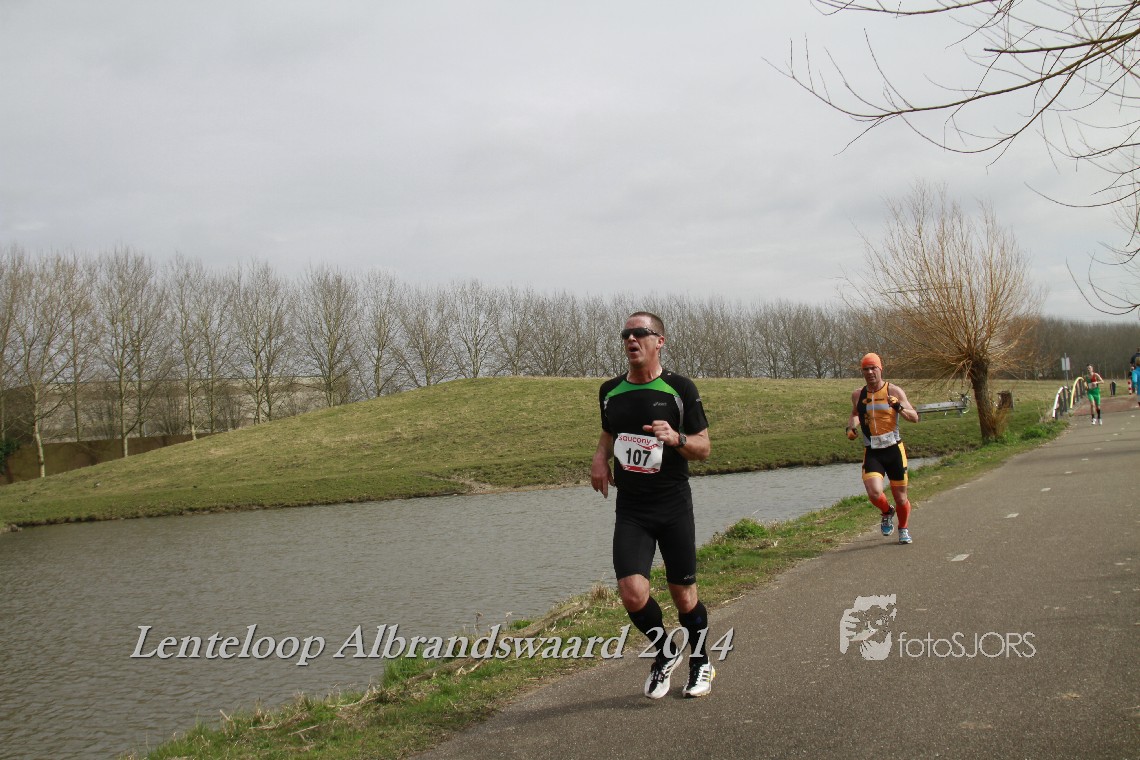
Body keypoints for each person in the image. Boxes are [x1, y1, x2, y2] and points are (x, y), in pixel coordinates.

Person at [591, 311, 714, 699]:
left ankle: (701, 662)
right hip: (632, 509)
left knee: (684, 596)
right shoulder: (609, 391)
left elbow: (704, 448)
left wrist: (676, 438)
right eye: (626, 334)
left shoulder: (679, 388)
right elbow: (608, 432)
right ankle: (666, 652)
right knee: (632, 593)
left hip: (673, 505)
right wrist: (599, 458)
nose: (631, 339)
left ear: (659, 341)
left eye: (640, 333)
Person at [846, 353, 920, 545]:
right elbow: (855, 414)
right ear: (862, 371)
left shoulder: (893, 390)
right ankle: (887, 512)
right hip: (873, 451)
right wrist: (851, 428)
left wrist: (898, 407)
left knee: (901, 497)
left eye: (873, 368)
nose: (870, 372)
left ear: (880, 369)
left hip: (894, 450)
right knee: (874, 492)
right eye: (866, 369)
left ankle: (903, 528)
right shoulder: (858, 394)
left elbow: (915, 417)